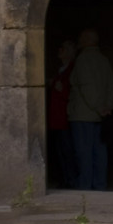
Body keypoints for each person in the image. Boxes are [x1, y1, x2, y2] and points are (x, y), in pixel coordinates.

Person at [67, 28, 113, 190]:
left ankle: (85, 188)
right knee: (99, 153)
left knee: (84, 154)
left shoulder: (83, 60)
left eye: (81, 38)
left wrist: (99, 107)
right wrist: (108, 106)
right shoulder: (104, 60)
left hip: (84, 115)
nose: (79, 41)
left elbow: (87, 87)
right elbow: (112, 86)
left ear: (87, 40)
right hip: (100, 115)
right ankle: (99, 186)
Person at [48, 39, 77, 188]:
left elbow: (71, 91)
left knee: (67, 151)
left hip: (64, 117)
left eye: (63, 48)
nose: (60, 51)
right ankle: (65, 179)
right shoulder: (62, 69)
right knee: (61, 151)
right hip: (57, 117)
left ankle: (70, 181)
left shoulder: (71, 69)